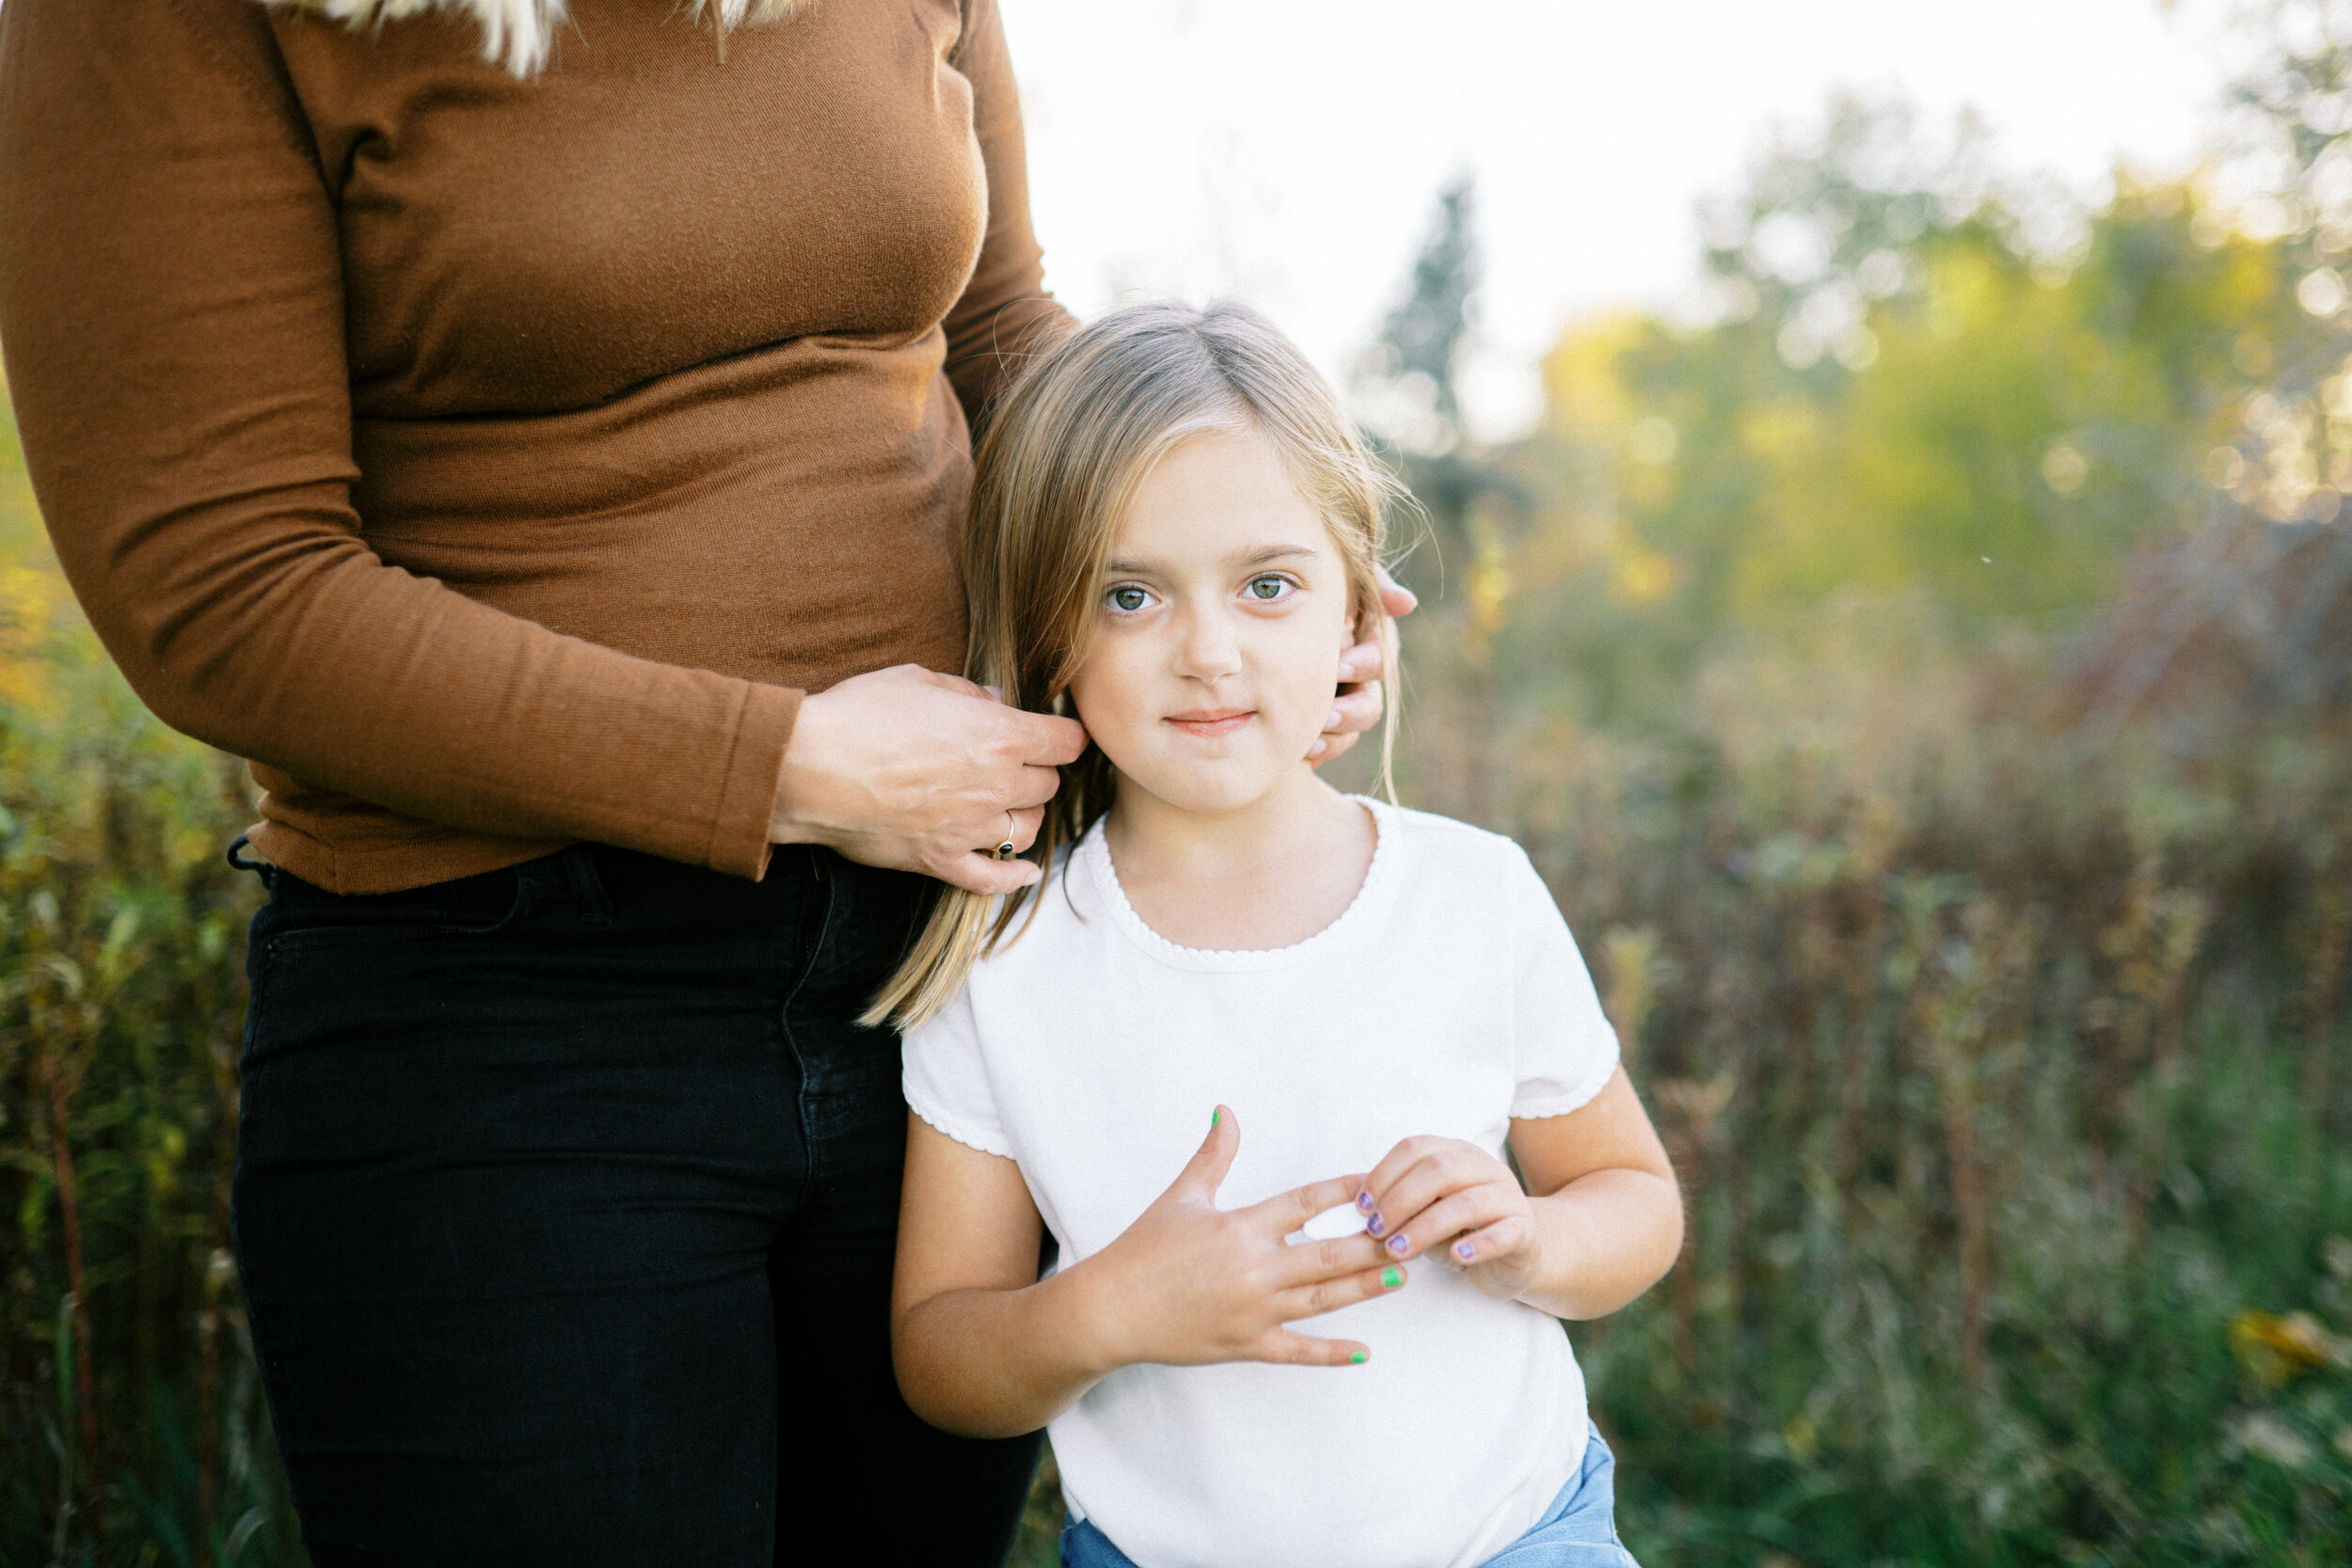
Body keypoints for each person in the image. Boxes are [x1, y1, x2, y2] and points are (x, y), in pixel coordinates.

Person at [0, 3, 1404, 1563]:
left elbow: (1006, 337)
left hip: (949, 973)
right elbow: (225, 591)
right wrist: (785, 768)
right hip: (507, 1019)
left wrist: (1265, 570)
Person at [883, 300, 1686, 1568]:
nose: (1210, 653)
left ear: (1357, 611)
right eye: (1131, 595)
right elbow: (940, 1354)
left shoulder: (1470, 897)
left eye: (1268, 586)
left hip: (1515, 1537)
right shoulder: (1006, 961)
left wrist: (1535, 1240)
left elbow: (1633, 1199)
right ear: (1051, 633)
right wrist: (1105, 1312)